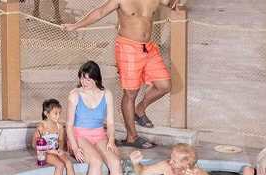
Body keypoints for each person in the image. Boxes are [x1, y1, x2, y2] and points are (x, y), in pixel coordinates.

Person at [62, 0, 179, 150]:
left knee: (164, 85)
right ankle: (132, 136)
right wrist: (76, 25)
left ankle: (139, 109)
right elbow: (99, 12)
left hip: (148, 47)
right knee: (130, 93)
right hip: (127, 48)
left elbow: (170, 2)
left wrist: (175, 3)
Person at [66, 61, 123, 175]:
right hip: (79, 136)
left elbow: (111, 122)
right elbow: (69, 124)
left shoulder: (107, 94)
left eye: (88, 80)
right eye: (82, 78)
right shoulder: (75, 95)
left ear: (96, 79)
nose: (83, 82)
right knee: (97, 162)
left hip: (99, 135)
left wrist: (111, 141)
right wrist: (75, 148)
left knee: (116, 163)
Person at [34, 98, 76, 175]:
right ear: (46, 114)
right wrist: (50, 151)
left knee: (68, 163)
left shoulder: (59, 126)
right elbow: (35, 143)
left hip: (56, 150)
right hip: (45, 152)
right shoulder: (42, 126)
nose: (58, 116)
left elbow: (61, 140)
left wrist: (60, 148)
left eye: (59, 113)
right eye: (55, 113)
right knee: (60, 164)